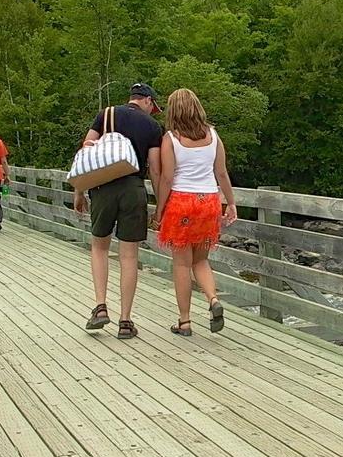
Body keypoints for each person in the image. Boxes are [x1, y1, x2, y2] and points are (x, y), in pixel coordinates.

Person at [74, 83, 163, 339]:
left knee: (99, 247)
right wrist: (160, 205)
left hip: (102, 186)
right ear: (146, 101)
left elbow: (86, 150)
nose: (152, 111)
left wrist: (80, 190)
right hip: (133, 188)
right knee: (129, 256)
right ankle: (125, 321)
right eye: (153, 106)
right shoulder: (152, 127)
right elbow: (155, 170)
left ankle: (101, 306)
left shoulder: (107, 114)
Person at [155, 89, 237, 336]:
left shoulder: (171, 138)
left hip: (181, 201)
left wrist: (160, 210)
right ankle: (213, 299)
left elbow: (167, 178)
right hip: (209, 201)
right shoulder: (213, 136)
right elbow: (221, 173)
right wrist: (231, 203)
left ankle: (185, 321)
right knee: (201, 260)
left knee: (181, 264)